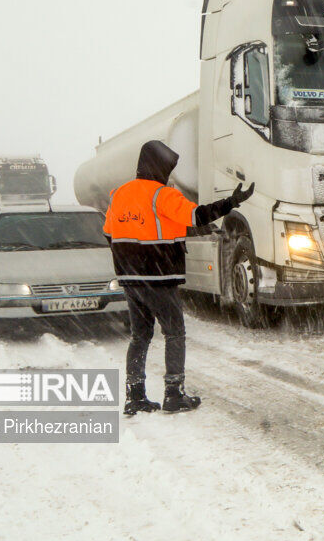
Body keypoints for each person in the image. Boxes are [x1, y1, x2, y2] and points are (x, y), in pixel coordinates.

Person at [104, 140, 254, 415]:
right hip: (160, 276)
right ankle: (174, 393)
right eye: (167, 167)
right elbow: (197, 216)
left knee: (140, 336)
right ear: (158, 166)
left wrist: (131, 257)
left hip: (130, 279)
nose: (169, 173)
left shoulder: (119, 194)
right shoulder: (162, 195)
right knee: (174, 333)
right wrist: (230, 203)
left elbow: (109, 233)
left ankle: (135, 396)